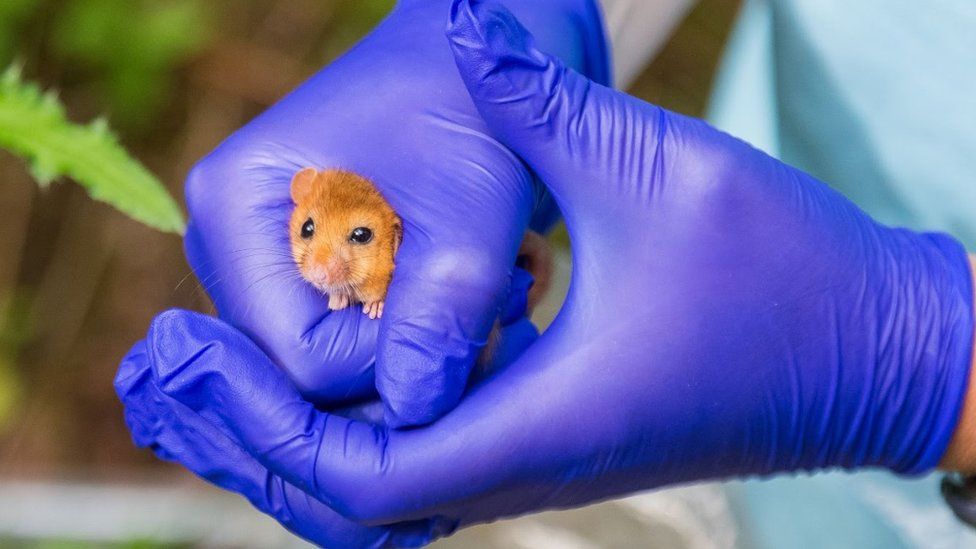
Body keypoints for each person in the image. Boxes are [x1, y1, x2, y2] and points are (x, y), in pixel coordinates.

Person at [114, 0, 976, 546]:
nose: (325, 257)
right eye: (312, 233)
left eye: (359, 239)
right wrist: (537, 17)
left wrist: (937, 363)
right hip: (744, 484)